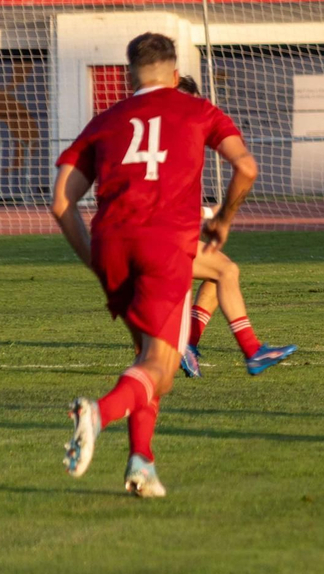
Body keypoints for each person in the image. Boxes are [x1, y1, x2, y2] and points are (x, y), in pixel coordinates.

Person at [51, 33, 257, 498]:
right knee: (161, 368)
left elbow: (61, 199)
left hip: (111, 244)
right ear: (173, 68)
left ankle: (142, 464)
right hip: (164, 244)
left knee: (148, 360)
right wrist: (223, 219)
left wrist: (94, 261)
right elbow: (246, 167)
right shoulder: (198, 109)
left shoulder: (105, 119)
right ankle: (98, 413)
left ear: (129, 74)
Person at [173, 76, 297, 380]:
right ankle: (251, 351)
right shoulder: (174, 142)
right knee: (226, 272)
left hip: (152, 234)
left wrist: (204, 213)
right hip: (156, 237)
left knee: (220, 274)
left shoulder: (180, 137)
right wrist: (216, 216)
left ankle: (187, 344)